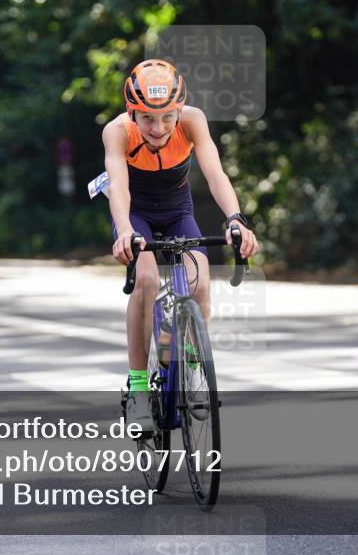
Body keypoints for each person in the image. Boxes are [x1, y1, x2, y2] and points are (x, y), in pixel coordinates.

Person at [103, 59, 259, 434]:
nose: (158, 129)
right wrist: (125, 231)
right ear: (132, 113)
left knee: (200, 282)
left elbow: (215, 173)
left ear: (179, 111)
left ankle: (190, 363)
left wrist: (235, 218)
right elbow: (118, 187)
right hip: (135, 215)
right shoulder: (116, 132)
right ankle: (139, 387)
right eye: (148, 120)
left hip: (177, 210)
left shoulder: (193, 120)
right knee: (146, 282)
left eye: (167, 118)